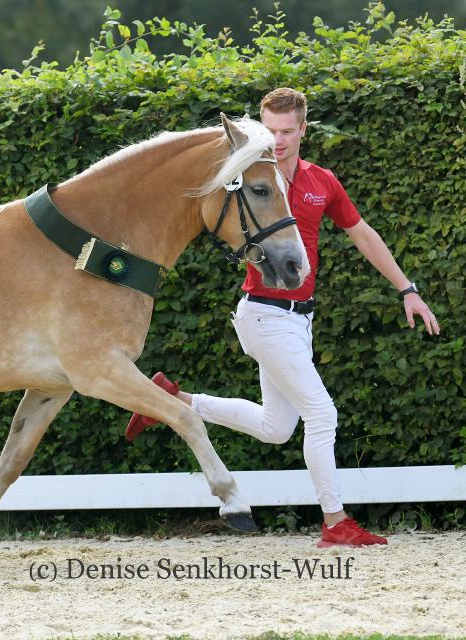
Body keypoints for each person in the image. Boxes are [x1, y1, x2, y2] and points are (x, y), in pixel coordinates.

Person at [126, 87, 441, 548]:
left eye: (287, 131)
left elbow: (363, 235)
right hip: (264, 316)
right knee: (323, 414)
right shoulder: (247, 177)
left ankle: (175, 399)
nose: (278, 140)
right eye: (270, 130)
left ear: (303, 130)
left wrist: (407, 289)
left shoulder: (322, 182)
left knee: (277, 429)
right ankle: (335, 522)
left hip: (299, 319)